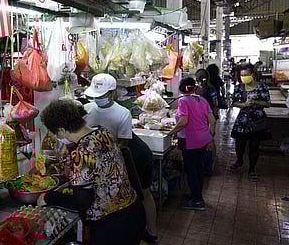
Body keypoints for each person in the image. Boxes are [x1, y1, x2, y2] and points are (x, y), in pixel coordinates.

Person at [38, 99, 146, 245]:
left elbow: (81, 202)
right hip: (134, 212)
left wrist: (48, 197)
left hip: (113, 226)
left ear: (62, 130)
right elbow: (97, 168)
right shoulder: (102, 131)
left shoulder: (81, 153)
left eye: (56, 132)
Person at [82, 73, 158, 243]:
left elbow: (122, 145)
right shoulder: (88, 109)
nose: (98, 99)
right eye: (96, 95)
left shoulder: (122, 113)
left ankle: (151, 231)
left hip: (135, 155)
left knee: (141, 192)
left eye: (102, 95)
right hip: (111, 159)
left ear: (112, 93)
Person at [167, 77, 217, 211]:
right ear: (194, 87)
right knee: (199, 168)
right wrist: (210, 135)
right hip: (203, 140)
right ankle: (197, 195)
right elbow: (212, 121)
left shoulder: (183, 101)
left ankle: (197, 201)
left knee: (191, 171)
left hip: (190, 141)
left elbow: (183, 122)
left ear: (180, 89)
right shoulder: (202, 100)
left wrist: (170, 133)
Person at [230, 63, 271, 182]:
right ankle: (239, 161)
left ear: (253, 74)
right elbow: (234, 103)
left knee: (254, 146)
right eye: (242, 75)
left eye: (246, 75)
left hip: (257, 122)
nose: (244, 77)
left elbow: (267, 104)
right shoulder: (239, 88)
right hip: (242, 121)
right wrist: (244, 105)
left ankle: (252, 169)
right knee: (239, 144)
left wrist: (256, 103)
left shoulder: (262, 87)